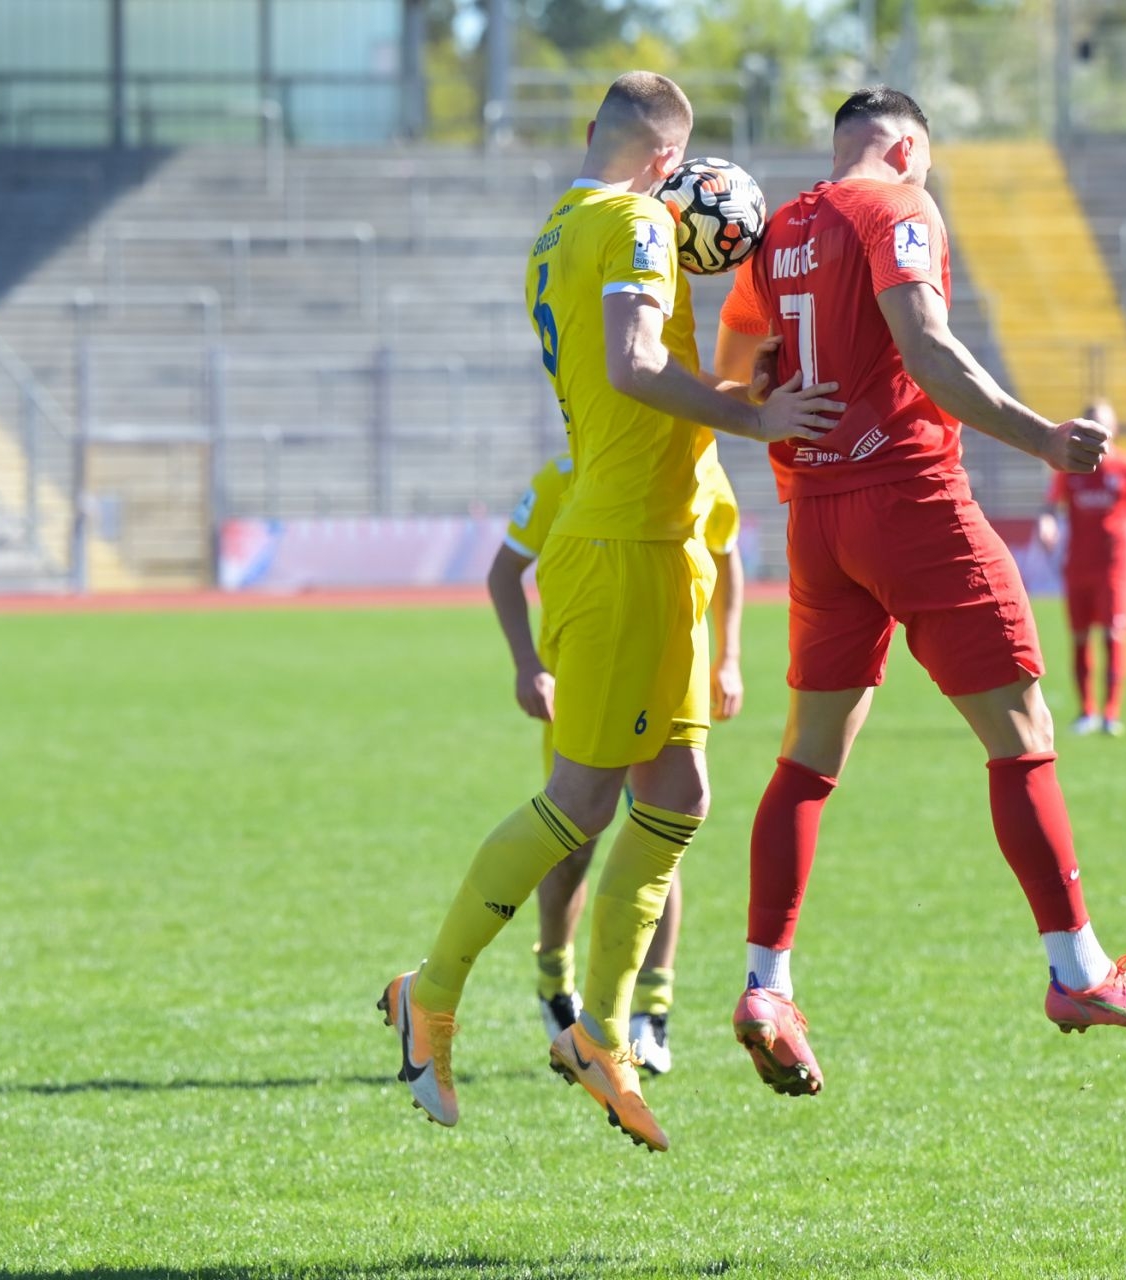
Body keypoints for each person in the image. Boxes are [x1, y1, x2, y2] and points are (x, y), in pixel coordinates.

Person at [379, 70, 840, 1151]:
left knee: (676, 794)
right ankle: (429, 993)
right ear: (671, 165)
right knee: (583, 801)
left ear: (596, 131)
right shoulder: (635, 223)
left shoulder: (558, 230)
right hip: (623, 542)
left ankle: (600, 1029)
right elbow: (634, 367)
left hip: (657, 540)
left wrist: (736, 393)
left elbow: (634, 375)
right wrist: (757, 416)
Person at [713, 86, 1126, 1099]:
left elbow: (733, 376)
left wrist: (770, 409)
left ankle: (768, 984)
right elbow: (928, 349)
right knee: (1022, 731)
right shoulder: (898, 204)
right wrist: (1045, 440)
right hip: (910, 501)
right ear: (904, 148)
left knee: (807, 759)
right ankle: (1077, 969)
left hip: (816, 519)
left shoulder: (780, 231)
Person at [485, 445, 747, 1076]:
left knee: (658, 839)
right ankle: (555, 980)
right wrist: (527, 665)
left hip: (667, 683)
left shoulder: (702, 471)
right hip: (583, 688)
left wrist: (730, 656)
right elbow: (504, 571)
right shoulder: (564, 478)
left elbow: (726, 555)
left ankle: (649, 1013)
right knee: (571, 846)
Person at [1036, 399, 1126, 737]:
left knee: (1113, 635)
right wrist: (1047, 524)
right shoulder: (1069, 470)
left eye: (1102, 424)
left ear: (1114, 429)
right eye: (1090, 424)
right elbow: (1050, 507)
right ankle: (1086, 712)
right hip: (1078, 565)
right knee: (1079, 637)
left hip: (1116, 567)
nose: (1097, 431)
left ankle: (1111, 714)